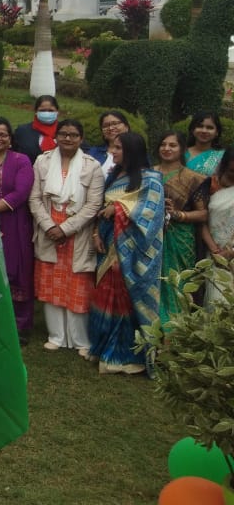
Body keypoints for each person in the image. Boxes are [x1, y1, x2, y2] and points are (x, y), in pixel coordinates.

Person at [88, 132, 165, 375]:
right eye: (113, 147)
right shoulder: (114, 175)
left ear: (132, 150)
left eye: (118, 148)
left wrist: (118, 208)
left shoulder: (151, 179)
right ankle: (103, 347)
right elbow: (102, 208)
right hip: (107, 245)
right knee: (104, 296)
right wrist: (96, 233)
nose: (112, 152)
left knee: (124, 300)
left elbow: (150, 214)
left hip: (131, 252)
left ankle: (125, 356)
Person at [30, 119, 104, 356]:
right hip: (48, 231)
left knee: (78, 284)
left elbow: (94, 204)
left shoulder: (92, 166)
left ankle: (80, 340)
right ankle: (56, 336)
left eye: (73, 135)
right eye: (63, 134)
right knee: (50, 282)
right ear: (56, 136)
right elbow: (35, 199)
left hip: (77, 233)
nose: (68, 138)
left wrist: (66, 229)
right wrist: (49, 226)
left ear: (81, 138)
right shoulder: (42, 161)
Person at [0, 117, 36, 343]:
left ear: (10, 138)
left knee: (15, 269)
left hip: (12, 222)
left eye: (2, 134)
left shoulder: (20, 160)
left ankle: (19, 324)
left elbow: (21, 192)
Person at [153, 131, 210, 321]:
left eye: (172, 145)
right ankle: (152, 328)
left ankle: (175, 330)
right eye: (163, 144)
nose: (166, 148)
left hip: (180, 238)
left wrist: (177, 214)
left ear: (182, 149)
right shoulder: (148, 173)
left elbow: (203, 214)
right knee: (152, 282)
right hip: (151, 235)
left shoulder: (194, 178)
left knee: (178, 283)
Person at [201, 149, 234, 308]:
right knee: (217, 304)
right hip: (214, 252)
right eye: (232, 170)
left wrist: (230, 252)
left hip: (230, 251)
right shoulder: (211, 184)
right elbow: (202, 220)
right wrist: (215, 251)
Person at [12, 95, 60, 163]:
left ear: (57, 112)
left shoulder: (64, 131)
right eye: (42, 110)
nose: (47, 113)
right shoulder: (22, 131)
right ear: (36, 112)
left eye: (50, 110)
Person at [86, 111, 130, 176]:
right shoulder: (93, 153)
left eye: (115, 123)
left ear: (126, 127)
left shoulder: (137, 150)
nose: (110, 128)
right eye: (105, 126)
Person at [186, 111, 224, 176]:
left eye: (210, 128)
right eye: (200, 126)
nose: (204, 131)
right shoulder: (180, 153)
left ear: (217, 132)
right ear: (192, 129)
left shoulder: (222, 156)